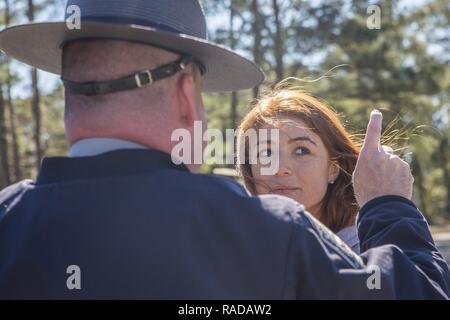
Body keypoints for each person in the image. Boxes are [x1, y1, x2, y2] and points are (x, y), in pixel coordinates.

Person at [0, 0, 448, 299]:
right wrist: (390, 207)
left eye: (300, 150)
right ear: (185, 93)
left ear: (67, 93)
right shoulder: (273, 234)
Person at [237, 87, 364, 252]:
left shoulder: (365, 253)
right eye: (266, 153)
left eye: (301, 151)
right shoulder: (234, 248)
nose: (280, 169)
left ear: (333, 169)